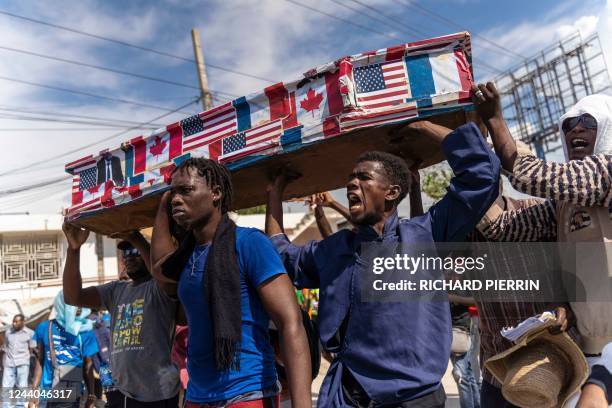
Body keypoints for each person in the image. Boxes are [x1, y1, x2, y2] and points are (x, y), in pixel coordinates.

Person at [266, 119, 501, 407]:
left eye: (364, 178)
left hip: (416, 398)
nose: (352, 182)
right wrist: (275, 193)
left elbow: (481, 175)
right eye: (351, 177)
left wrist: (423, 125)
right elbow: (281, 255)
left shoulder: (424, 235)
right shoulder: (335, 249)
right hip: (349, 396)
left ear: (391, 192)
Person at [150, 157, 312, 408]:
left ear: (215, 193)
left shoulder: (250, 243)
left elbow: (290, 323)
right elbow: (159, 266)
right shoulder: (186, 257)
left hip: (247, 393)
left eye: (186, 191)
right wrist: (163, 204)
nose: (176, 199)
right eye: (173, 193)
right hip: (198, 396)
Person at [61, 227, 180, 408]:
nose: (129, 257)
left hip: (157, 393)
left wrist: (137, 239)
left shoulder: (160, 288)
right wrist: (73, 250)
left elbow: (163, 274)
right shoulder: (116, 290)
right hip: (120, 392)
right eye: (125, 253)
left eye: (135, 251)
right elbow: (72, 297)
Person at [31, 291, 98, 408]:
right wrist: (33, 391)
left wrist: (91, 395)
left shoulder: (86, 331)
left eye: (79, 303)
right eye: (73, 303)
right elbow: (40, 360)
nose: (78, 307)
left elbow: (88, 367)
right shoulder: (44, 327)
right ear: (61, 305)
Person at [1, 314, 35, 408]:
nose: (14, 323)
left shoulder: (30, 333)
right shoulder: (8, 332)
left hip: (23, 363)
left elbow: (32, 348)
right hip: (9, 362)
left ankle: (20, 405)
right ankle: (5, 405)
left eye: (16, 321)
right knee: (6, 385)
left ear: (23, 322)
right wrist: (4, 362)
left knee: (22, 385)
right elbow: (5, 347)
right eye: (13, 321)